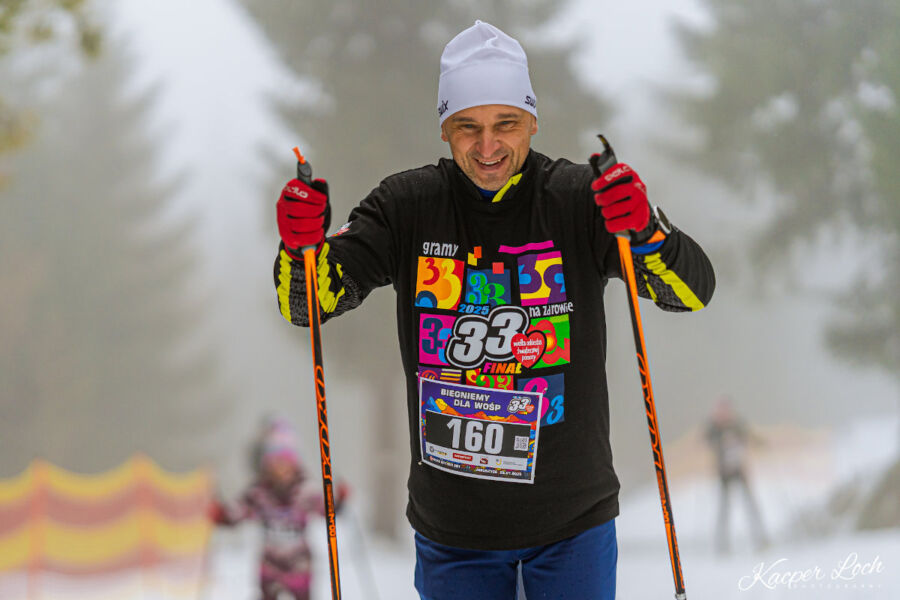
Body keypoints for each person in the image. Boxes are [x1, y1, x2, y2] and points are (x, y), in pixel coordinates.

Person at [273, 20, 715, 600]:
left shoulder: (579, 200)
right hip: (455, 532)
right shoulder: (408, 206)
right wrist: (299, 247)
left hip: (571, 522)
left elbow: (690, 291)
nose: (488, 147)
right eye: (468, 127)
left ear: (532, 121)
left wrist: (646, 229)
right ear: (444, 128)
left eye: (506, 124)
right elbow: (309, 304)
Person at [209, 418, 349, 600]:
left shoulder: (305, 489)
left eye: (286, 461)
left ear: (294, 463)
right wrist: (221, 514)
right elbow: (237, 512)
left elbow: (327, 512)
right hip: (270, 565)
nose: (281, 468)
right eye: (276, 462)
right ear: (268, 464)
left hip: (299, 564)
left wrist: (339, 500)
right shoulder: (260, 491)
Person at [704, 395, 768, 555]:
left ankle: (760, 538)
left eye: (727, 410)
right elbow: (707, 440)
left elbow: (750, 436)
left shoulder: (737, 424)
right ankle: (722, 544)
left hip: (740, 470)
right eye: (722, 410)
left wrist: (762, 443)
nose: (725, 414)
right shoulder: (714, 428)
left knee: (750, 505)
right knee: (724, 509)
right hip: (724, 472)